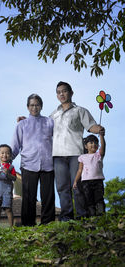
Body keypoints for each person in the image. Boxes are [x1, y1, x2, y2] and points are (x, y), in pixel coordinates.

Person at [51, 81, 105, 221]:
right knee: (62, 187)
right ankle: (66, 217)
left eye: (64, 91)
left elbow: (90, 126)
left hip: (76, 153)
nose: (61, 94)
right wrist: (27, 121)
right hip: (58, 155)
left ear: (71, 93)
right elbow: (43, 128)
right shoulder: (54, 114)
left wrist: (98, 129)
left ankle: (82, 215)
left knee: (78, 186)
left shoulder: (80, 110)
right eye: (58, 92)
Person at [11, 94, 55, 226]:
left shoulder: (49, 122)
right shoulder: (22, 125)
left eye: (37, 105)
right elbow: (15, 145)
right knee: (29, 196)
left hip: (48, 163)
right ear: (27, 107)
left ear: (41, 106)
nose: (34, 107)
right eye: (31, 105)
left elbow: (58, 138)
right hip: (28, 163)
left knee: (48, 196)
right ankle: (28, 224)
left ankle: (48, 223)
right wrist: (8, 161)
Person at [73, 133, 106, 217]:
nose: (93, 144)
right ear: (86, 146)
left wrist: (101, 136)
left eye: (95, 142)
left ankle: (101, 217)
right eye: (91, 142)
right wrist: (75, 181)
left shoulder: (98, 155)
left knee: (99, 200)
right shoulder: (82, 157)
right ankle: (92, 218)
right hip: (86, 183)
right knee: (89, 201)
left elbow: (103, 147)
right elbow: (80, 170)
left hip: (98, 182)